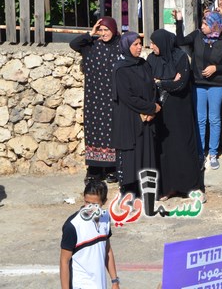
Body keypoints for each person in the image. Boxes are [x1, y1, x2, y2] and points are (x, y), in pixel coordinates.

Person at [174, 10, 222, 170]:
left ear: (215, 25)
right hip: (198, 83)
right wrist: (179, 21)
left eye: (205, 24)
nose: (202, 26)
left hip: (217, 85)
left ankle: (213, 153)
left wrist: (216, 68)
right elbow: (180, 40)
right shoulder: (197, 36)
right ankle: (200, 153)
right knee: (200, 119)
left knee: (214, 119)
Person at [148, 29, 202, 200]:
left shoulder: (180, 58)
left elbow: (181, 84)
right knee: (165, 151)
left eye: (154, 43)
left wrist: (161, 82)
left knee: (183, 148)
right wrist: (169, 82)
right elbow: (149, 82)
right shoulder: (151, 59)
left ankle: (190, 188)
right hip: (162, 112)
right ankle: (168, 188)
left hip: (180, 112)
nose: (151, 46)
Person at [69, 17, 121, 184]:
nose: (104, 33)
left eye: (107, 30)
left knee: (113, 132)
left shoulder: (120, 46)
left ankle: (113, 168)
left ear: (114, 30)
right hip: (94, 99)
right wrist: (90, 34)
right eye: (101, 30)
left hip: (113, 98)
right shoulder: (90, 45)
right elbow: (73, 44)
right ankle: (94, 170)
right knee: (95, 133)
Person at [112, 31, 160, 196]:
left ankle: (145, 190)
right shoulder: (120, 69)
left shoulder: (144, 64)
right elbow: (127, 97)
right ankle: (129, 190)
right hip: (129, 117)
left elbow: (153, 87)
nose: (140, 47)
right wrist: (150, 108)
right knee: (131, 154)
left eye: (140, 44)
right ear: (126, 46)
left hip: (146, 118)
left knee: (146, 152)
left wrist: (152, 109)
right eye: (135, 44)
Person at [60, 180, 119, 289]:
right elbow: (64, 261)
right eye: (87, 202)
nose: (89, 208)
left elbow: (107, 250)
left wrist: (115, 281)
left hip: (100, 284)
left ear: (104, 201)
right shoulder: (73, 226)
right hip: (81, 284)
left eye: (95, 204)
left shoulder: (105, 218)